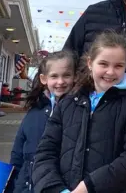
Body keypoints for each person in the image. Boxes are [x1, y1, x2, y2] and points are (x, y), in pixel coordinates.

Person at [32, 31, 126, 193]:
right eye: (103, 64)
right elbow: (45, 152)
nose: (110, 72)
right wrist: (55, 188)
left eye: (118, 66)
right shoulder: (68, 102)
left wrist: (89, 186)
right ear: (90, 63)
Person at [8, 51, 77, 193]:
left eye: (66, 75)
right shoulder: (35, 112)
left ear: (75, 77)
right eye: (54, 76)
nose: (60, 81)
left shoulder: (80, 111)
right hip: (28, 186)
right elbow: (18, 153)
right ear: (44, 79)